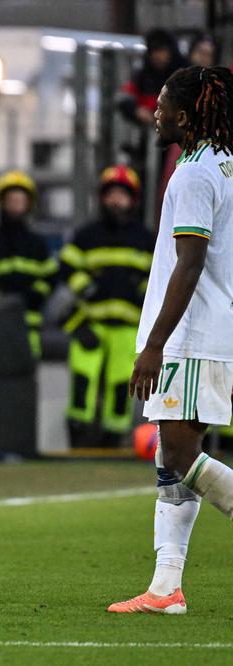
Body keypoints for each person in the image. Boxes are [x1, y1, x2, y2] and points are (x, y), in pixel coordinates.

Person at [110, 65, 233, 615]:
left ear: (185, 116)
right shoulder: (221, 164)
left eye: (161, 105)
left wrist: (155, 345)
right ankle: (165, 587)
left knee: (181, 456)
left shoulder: (195, 175)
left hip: (190, 336)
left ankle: (166, 587)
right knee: (170, 457)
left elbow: (189, 263)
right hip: (211, 329)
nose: (154, 113)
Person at [59, 165, 154, 447]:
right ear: (102, 198)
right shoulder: (86, 236)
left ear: (132, 200)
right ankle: (78, 440)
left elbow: (157, 277)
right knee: (82, 381)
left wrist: (140, 293)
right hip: (90, 325)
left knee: (121, 386)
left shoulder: (145, 238)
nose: (116, 200)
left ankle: (114, 441)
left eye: (122, 195)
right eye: (111, 194)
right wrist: (86, 287)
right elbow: (66, 268)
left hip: (128, 328)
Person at [0, 170, 56, 357]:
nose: (16, 205)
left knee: (26, 372)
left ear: (28, 204)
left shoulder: (37, 243)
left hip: (29, 326)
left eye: (20, 201)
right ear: (2, 203)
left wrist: (35, 295)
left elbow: (50, 278)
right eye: (11, 200)